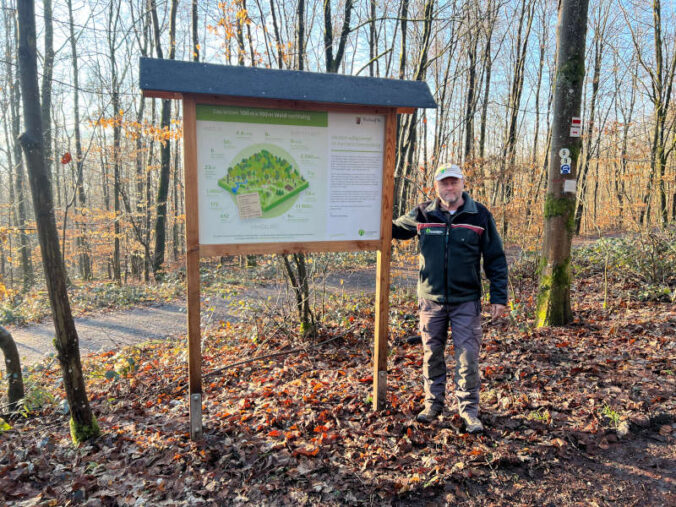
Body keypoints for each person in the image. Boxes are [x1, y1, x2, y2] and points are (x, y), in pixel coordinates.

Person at [392, 163, 508, 432]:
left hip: (466, 300)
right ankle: (433, 404)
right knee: (432, 353)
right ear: (437, 187)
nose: (450, 187)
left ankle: (468, 411)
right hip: (430, 301)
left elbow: (495, 259)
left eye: (454, 182)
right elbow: (395, 229)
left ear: (463, 183)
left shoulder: (479, 215)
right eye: (444, 183)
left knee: (468, 357)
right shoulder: (422, 213)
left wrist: (498, 298)